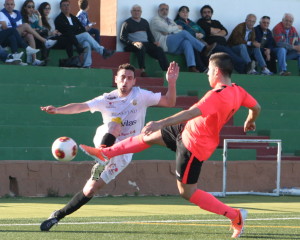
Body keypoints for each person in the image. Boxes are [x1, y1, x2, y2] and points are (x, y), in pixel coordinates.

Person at [79, 52, 261, 238]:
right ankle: (106, 153)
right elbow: (256, 107)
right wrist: (250, 120)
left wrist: (161, 123)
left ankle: (235, 215)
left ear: (216, 71)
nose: (207, 74)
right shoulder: (238, 90)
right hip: (186, 130)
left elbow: (189, 113)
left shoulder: (216, 95)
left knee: (187, 192)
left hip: (194, 146)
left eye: (208, 70)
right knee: (146, 137)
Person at [39, 61, 179, 231]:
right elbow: (81, 106)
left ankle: (58, 215)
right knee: (115, 124)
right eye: (122, 78)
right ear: (116, 79)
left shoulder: (141, 95)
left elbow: (169, 102)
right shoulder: (107, 99)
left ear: (134, 81)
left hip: (126, 151)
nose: (126, 81)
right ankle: (102, 155)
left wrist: (171, 82)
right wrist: (58, 110)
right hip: (105, 140)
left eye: (129, 78)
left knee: (91, 189)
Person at [150, 3, 216, 73]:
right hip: (164, 44)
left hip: (173, 45)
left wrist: (172, 30)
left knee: (186, 42)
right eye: (162, 9)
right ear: (158, 10)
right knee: (184, 33)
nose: (164, 11)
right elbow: (168, 29)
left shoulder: (169, 20)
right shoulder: (155, 20)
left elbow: (177, 31)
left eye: (166, 9)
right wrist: (175, 28)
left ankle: (191, 67)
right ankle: (204, 49)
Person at [55, 0, 114, 68]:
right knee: (85, 35)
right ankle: (102, 51)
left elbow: (81, 28)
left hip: (77, 40)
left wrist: (82, 29)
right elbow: (68, 31)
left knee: (87, 43)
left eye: (68, 5)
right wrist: (77, 29)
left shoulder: (73, 18)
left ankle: (87, 65)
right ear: (60, 7)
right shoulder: (59, 19)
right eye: (64, 5)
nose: (66, 7)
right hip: (68, 41)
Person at [0, 0, 56, 65]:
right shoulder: (1, 13)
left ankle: (34, 60)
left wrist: (23, 30)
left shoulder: (17, 14)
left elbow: (22, 26)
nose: (10, 6)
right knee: (25, 26)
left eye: (11, 4)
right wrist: (21, 29)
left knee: (30, 35)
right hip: (7, 36)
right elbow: (5, 28)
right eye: (7, 4)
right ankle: (44, 42)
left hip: (17, 34)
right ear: (4, 5)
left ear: (14, 5)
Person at [120, 4, 169, 76]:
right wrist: (133, 43)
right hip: (132, 44)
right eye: (135, 11)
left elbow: (149, 35)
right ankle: (142, 70)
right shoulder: (127, 23)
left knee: (159, 50)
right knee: (141, 47)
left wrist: (153, 42)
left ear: (141, 12)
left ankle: (167, 71)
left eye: (138, 11)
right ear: (131, 12)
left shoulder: (144, 22)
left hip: (146, 43)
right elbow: (122, 38)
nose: (137, 12)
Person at [197, 5, 247, 74]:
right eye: (204, 12)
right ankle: (246, 65)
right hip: (214, 46)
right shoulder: (200, 22)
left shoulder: (216, 22)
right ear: (202, 14)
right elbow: (212, 31)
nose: (207, 14)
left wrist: (214, 33)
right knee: (231, 57)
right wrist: (218, 31)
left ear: (211, 13)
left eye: (208, 12)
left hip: (225, 45)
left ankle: (244, 71)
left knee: (240, 47)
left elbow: (225, 32)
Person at [174, 5, 208, 72]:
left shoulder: (193, 23)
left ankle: (208, 67)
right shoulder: (177, 22)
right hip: (186, 42)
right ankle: (202, 68)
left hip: (198, 40)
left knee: (206, 49)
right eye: (183, 11)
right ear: (179, 13)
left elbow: (202, 31)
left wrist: (202, 35)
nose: (185, 13)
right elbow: (183, 32)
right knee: (195, 47)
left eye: (187, 12)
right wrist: (194, 34)